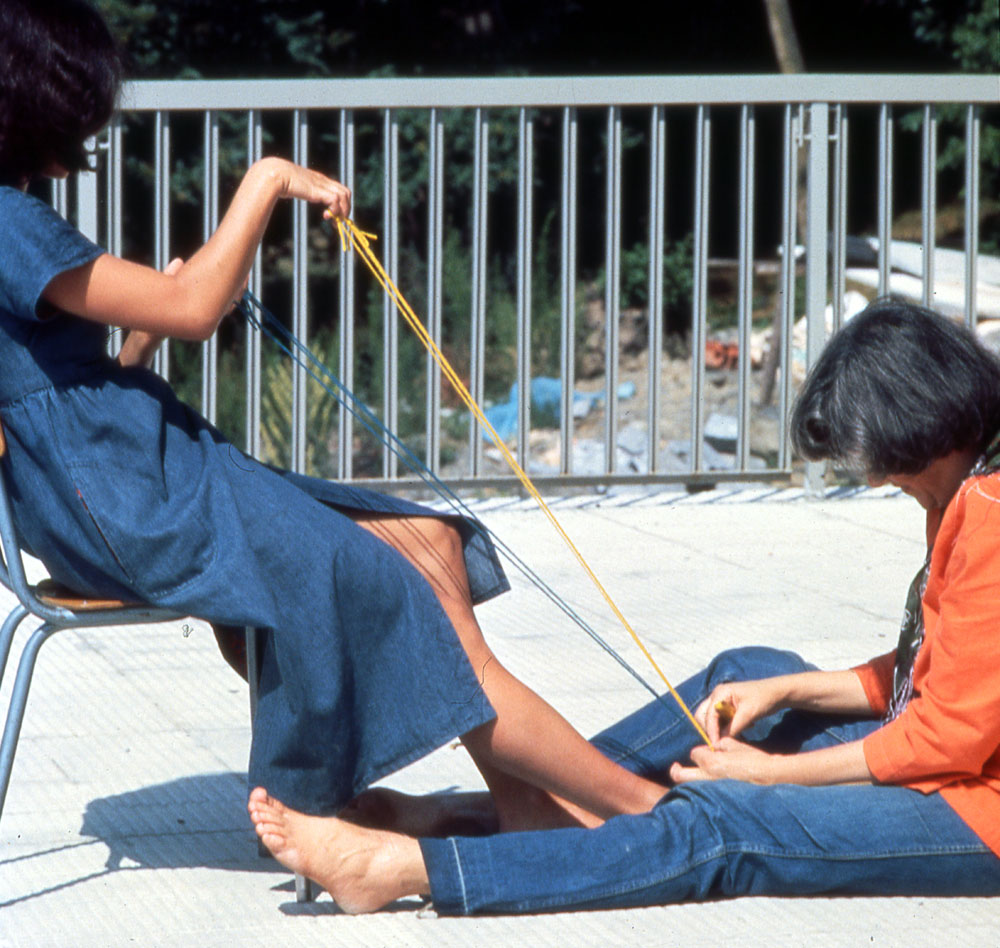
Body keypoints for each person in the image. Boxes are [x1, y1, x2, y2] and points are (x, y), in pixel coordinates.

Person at [0, 0, 671, 837]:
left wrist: (131, 347)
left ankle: (524, 802)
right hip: (132, 505)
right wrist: (268, 179)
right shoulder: (3, 220)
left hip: (131, 480)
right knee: (400, 590)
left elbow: (59, 387)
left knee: (426, 545)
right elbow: (195, 305)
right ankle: (652, 813)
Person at [248, 298, 1000, 914]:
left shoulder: (992, 511)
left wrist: (770, 779)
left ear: (927, 420)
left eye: (894, 471)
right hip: (945, 752)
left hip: (977, 810)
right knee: (744, 674)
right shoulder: (967, 481)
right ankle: (536, 809)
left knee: (726, 827)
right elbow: (938, 668)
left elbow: (945, 740)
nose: (883, 485)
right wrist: (791, 687)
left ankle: (411, 866)